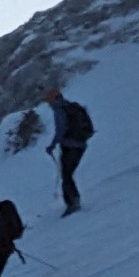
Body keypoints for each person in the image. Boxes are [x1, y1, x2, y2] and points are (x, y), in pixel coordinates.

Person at [43, 87, 93, 215]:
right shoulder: (71, 107)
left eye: (48, 101)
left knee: (66, 175)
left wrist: (52, 146)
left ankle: (72, 203)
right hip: (81, 144)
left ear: (53, 100)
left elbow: (60, 130)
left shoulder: (59, 110)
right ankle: (73, 201)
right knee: (68, 174)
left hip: (69, 146)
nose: (48, 104)